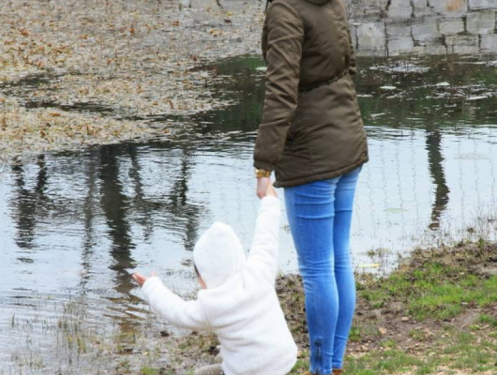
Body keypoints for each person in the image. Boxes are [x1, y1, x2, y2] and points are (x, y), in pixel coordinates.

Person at [254, 0, 369, 374]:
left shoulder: (286, 9)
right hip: (346, 138)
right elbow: (347, 65)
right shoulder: (330, 1)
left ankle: (321, 369)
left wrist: (263, 164)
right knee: (337, 258)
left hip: (312, 153)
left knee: (318, 268)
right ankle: (333, 366)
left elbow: (281, 91)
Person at [132, 182, 297, 375]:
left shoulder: (212, 306)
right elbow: (266, 236)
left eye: (199, 277)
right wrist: (269, 201)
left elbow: (176, 310)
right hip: (283, 360)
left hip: (249, 370)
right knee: (224, 356)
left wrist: (152, 287)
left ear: (205, 276)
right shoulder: (259, 271)